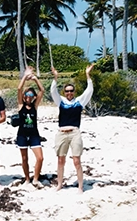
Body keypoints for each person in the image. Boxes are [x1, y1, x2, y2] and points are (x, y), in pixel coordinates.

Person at [50, 64, 94, 193]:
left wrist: (87, 75)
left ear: (74, 92)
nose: (69, 93)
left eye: (71, 91)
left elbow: (89, 91)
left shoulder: (79, 101)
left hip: (74, 133)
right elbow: (53, 91)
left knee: (76, 161)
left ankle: (80, 186)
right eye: (67, 91)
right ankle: (59, 184)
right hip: (61, 133)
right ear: (64, 92)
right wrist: (55, 77)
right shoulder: (61, 101)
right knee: (60, 160)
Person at [17, 66, 45, 188]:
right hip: (22, 135)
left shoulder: (35, 106)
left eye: (31, 95)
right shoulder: (20, 105)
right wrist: (24, 76)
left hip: (34, 135)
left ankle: (36, 179)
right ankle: (27, 178)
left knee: (40, 158)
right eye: (27, 95)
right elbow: (19, 88)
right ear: (24, 96)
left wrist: (35, 79)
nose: (29, 97)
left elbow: (42, 91)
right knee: (24, 159)